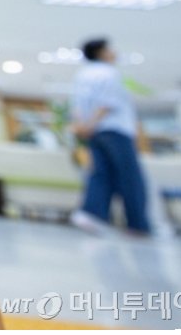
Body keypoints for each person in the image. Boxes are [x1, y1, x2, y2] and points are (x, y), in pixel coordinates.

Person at [68, 38, 151, 236]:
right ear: (101, 52)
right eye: (109, 49)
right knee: (130, 176)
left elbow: (77, 105)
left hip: (94, 133)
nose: (114, 52)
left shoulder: (82, 75)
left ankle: (91, 213)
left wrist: (83, 126)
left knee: (100, 172)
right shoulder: (109, 73)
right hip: (115, 130)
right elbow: (107, 103)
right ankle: (137, 224)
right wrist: (92, 123)